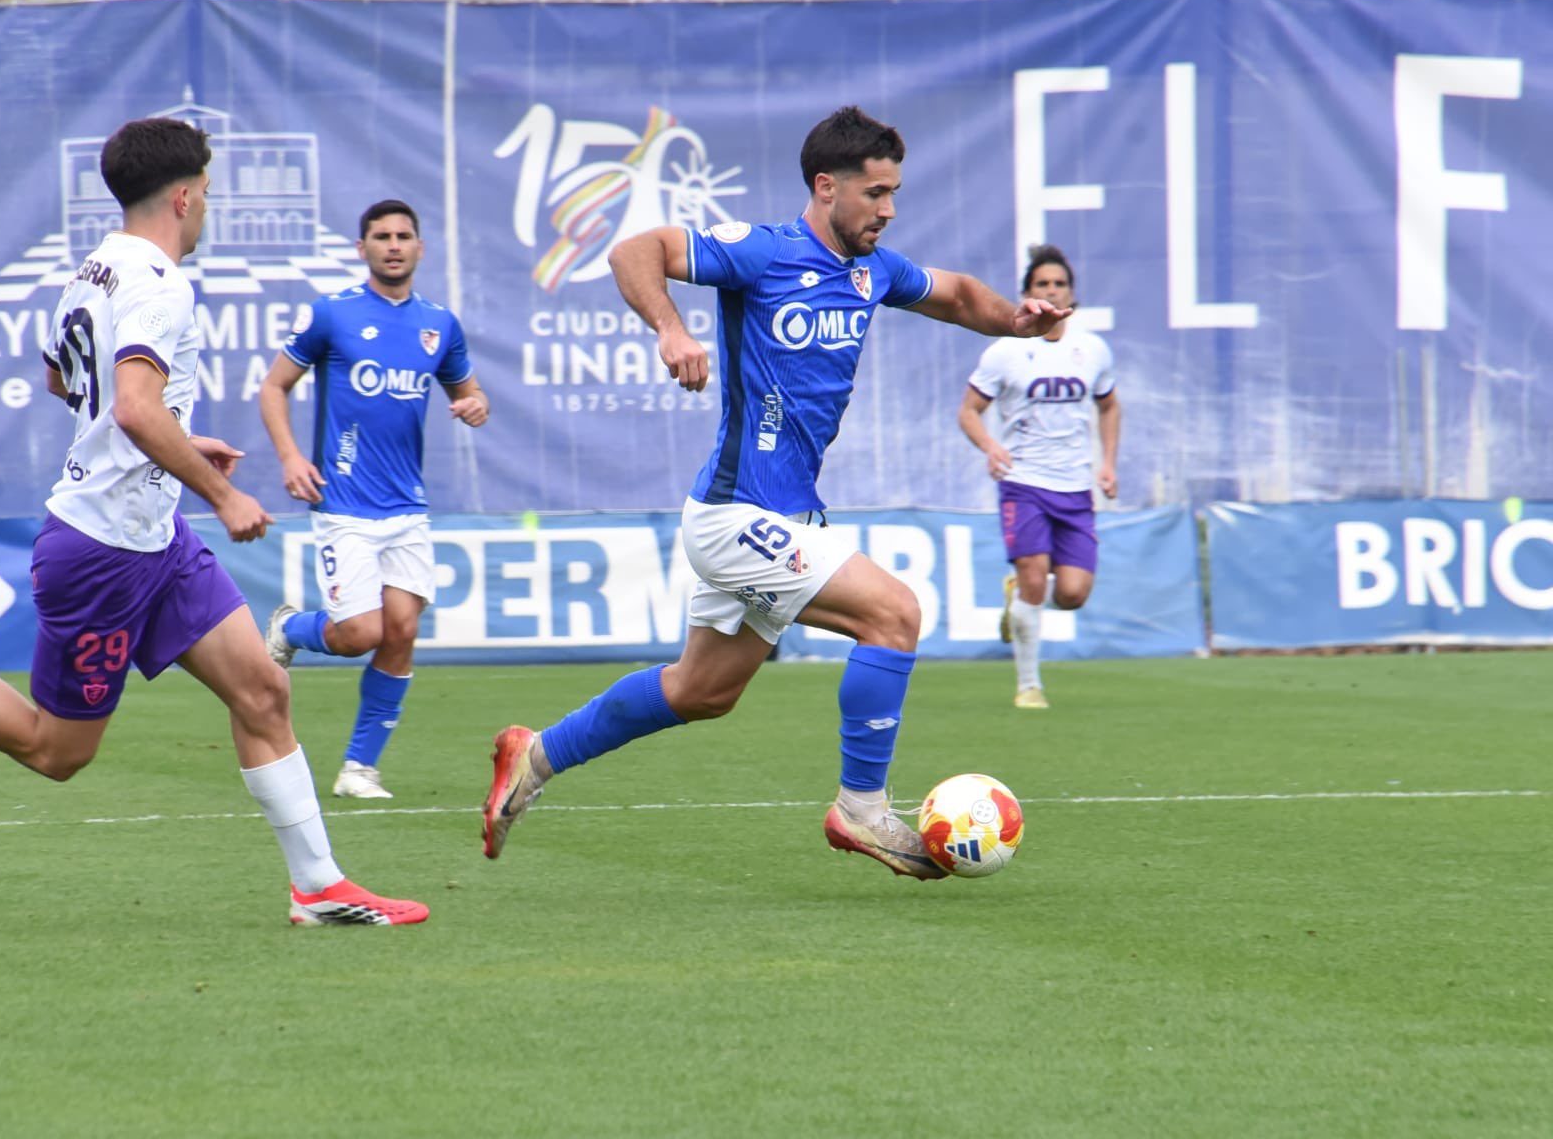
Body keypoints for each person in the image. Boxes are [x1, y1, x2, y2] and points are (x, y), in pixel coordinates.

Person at [0, 118, 426, 926]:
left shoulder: (92, 268)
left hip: (153, 535)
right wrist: (220, 494)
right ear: (185, 197)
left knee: (262, 688)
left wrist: (176, 443)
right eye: (210, 193)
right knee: (57, 751)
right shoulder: (157, 281)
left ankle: (318, 887)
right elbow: (132, 406)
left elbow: (63, 381)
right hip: (103, 547)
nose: (209, 207)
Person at [478, 105, 1070, 884]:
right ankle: (861, 808)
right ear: (827, 188)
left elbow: (958, 295)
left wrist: (1018, 321)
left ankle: (538, 754)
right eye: (876, 194)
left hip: (783, 515)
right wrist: (671, 329)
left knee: (703, 691)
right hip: (734, 515)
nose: (889, 210)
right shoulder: (763, 252)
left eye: (895, 194)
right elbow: (634, 250)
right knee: (894, 615)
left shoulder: (874, 269)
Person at [257, 199, 489, 800]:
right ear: (361, 248)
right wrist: (289, 457)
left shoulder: (440, 324)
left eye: (403, 236)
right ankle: (292, 630)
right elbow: (274, 387)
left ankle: (360, 768)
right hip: (345, 505)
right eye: (380, 236)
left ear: (419, 248)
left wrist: (475, 406)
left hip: (407, 508)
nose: (392, 244)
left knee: (402, 630)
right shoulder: (331, 314)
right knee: (359, 632)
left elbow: (469, 393)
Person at [957, 243, 1118, 710]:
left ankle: (1020, 602)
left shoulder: (1092, 350)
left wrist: (1108, 463)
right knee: (1033, 579)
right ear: (1027, 294)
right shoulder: (1006, 352)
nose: (1051, 290)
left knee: (1072, 594)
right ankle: (1030, 686)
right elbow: (969, 410)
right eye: (1042, 284)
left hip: (1075, 485)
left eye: (1059, 283)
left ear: (1071, 294)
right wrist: (990, 445)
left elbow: (1109, 405)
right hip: (1024, 482)